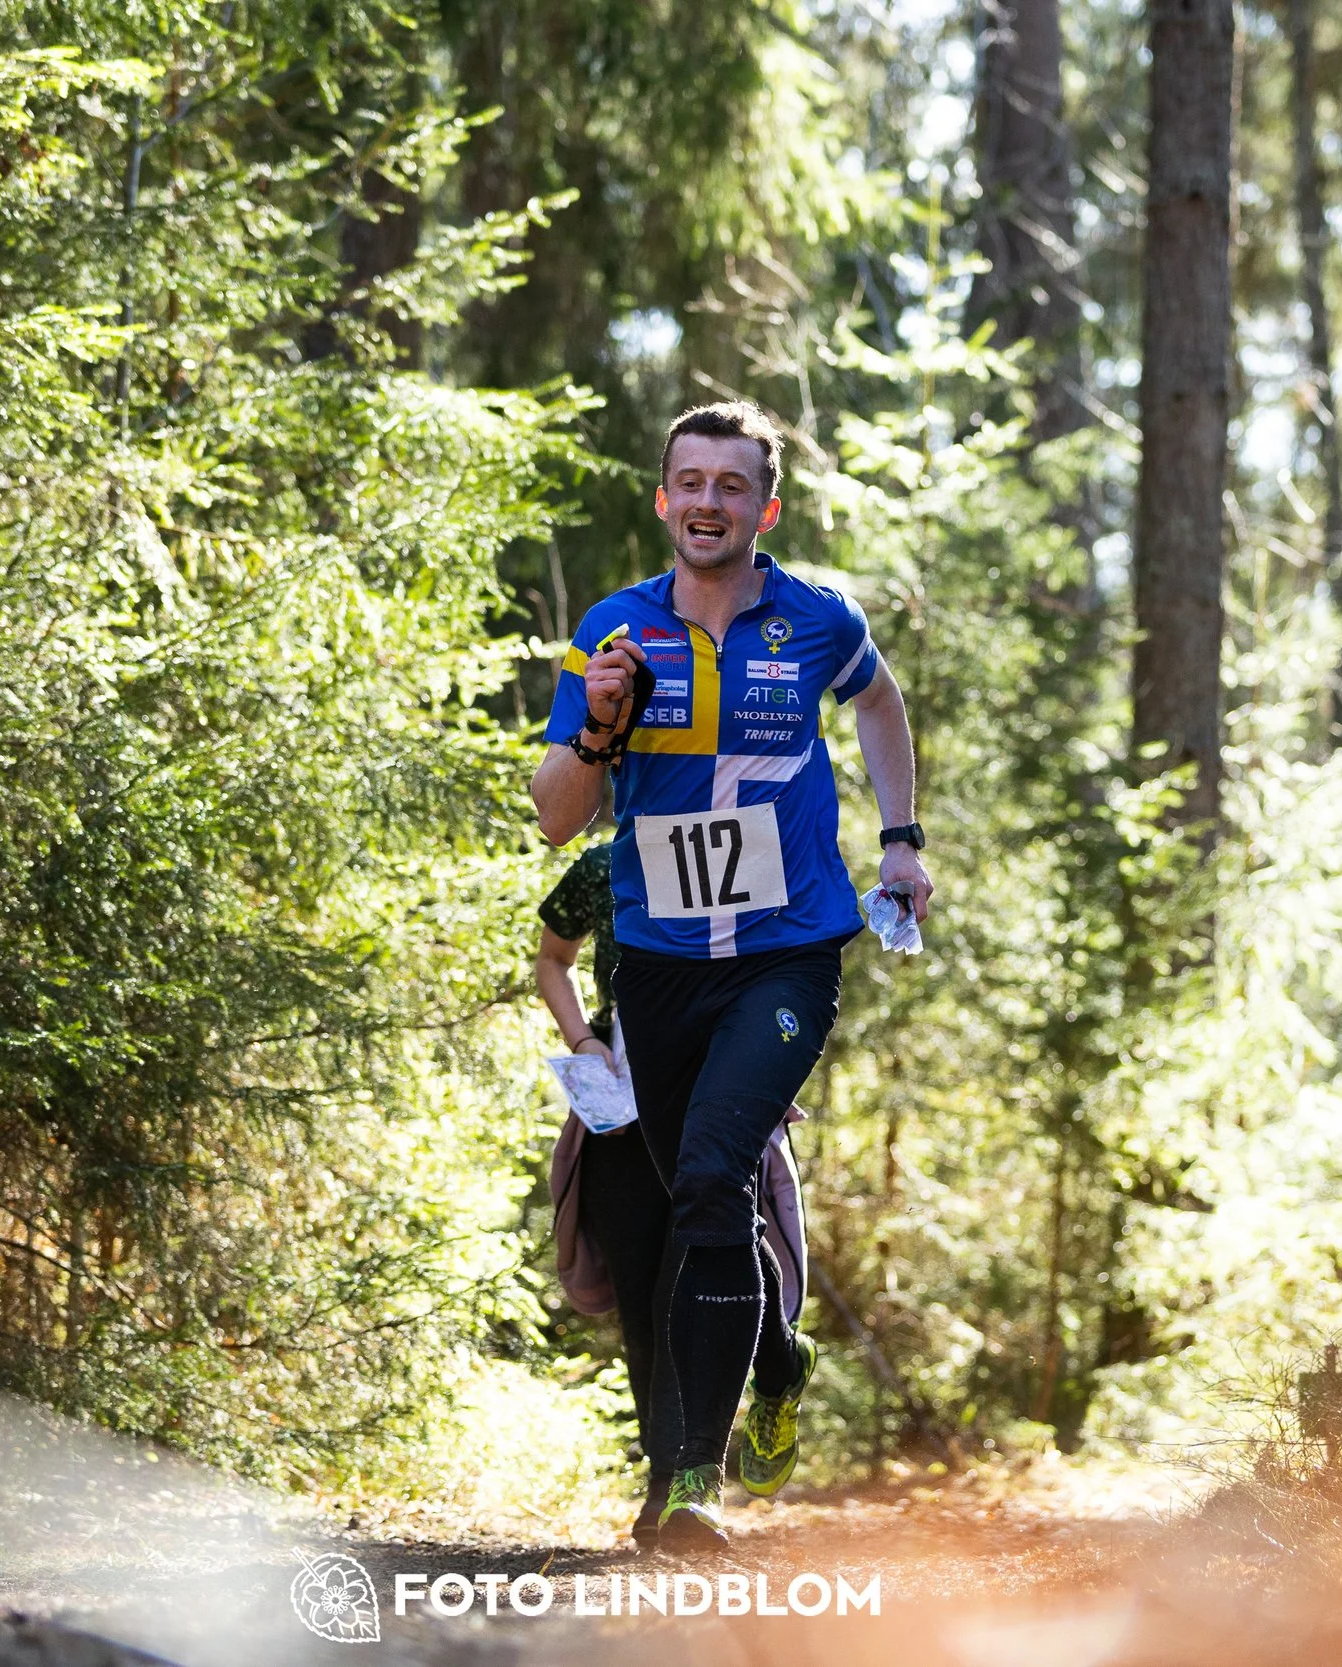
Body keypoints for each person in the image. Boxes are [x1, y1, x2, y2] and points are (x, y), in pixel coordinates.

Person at [530, 400, 933, 1548]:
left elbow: (879, 701)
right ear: (662, 500)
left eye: (731, 483)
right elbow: (559, 821)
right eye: (688, 481)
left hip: (787, 950)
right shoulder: (615, 630)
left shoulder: (815, 618)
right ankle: (778, 1357)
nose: (708, 501)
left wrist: (899, 838)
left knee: (712, 1175)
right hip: (657, 964)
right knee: (689, 1202)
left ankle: (691, 1482)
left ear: (767, 503)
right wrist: (598, 725)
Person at [535, 842, 808, 1547]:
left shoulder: (738, 847)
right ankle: (667, 1485)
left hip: (716, 1088)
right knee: (642, 1295)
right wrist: (581, 1040)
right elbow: (552, 957)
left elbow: (782, 967)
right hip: (619, 1107)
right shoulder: (602, 866)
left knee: (698, 1270)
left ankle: (686, 1477)